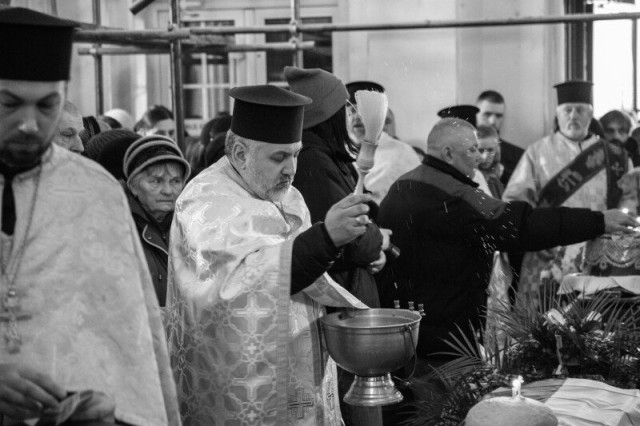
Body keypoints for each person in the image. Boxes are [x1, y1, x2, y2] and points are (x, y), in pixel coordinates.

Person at [0, 8, 179, 425]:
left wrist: (110, 406)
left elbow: (130, 342)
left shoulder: (95, 193)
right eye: (9, 104)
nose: (30, 124)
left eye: (47, 106)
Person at [165, 84, 372, 425]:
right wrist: (325, 238)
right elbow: (236, 288)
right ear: (239, 152)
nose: (291, 169)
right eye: (279, 157)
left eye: (295, 154)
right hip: (243, 387)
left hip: (298, 368)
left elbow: (302, 274)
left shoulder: (285, 196)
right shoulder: (205, 201)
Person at [376, 117, 635, 365]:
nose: (480, 157)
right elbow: (522, 226)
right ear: (448, 154)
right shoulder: (458, 195)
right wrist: (598, 221)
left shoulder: (403, 184)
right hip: (444, 336)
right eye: (472, 150)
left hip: (401, 326)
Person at [503, 81, 633, 302]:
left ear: (590, 115)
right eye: (567, 110)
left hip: (598, 259)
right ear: (558, 114)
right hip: (546, 255)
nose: (573, 115)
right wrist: (536, 234)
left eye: (580, 110)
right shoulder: (537, 152)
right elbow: (514, 203)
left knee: (597, 322)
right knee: (540, 321)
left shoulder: (616, 157)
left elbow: (629, 205)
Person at [123, 135, 190, 307]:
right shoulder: (121, 229)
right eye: (156, 181)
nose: (168, 191)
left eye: (175, 181)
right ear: (133, 186)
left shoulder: (192, 224)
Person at [343, 79, 421, 204]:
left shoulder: (401, 153)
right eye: (352, 111)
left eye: (363, 111)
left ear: (378, 116)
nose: (357, 117)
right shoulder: (340, 151)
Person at [476, 90, 524, 185]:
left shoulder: (518, 156)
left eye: (498, 116)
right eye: (487, 114)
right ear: (477, 114)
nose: (492, 121)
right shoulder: (462, 152)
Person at [476, 124, 504, 199]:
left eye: (490, 150)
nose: (485, 157)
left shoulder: (500, 175)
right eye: (480, 150)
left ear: (497, 150)